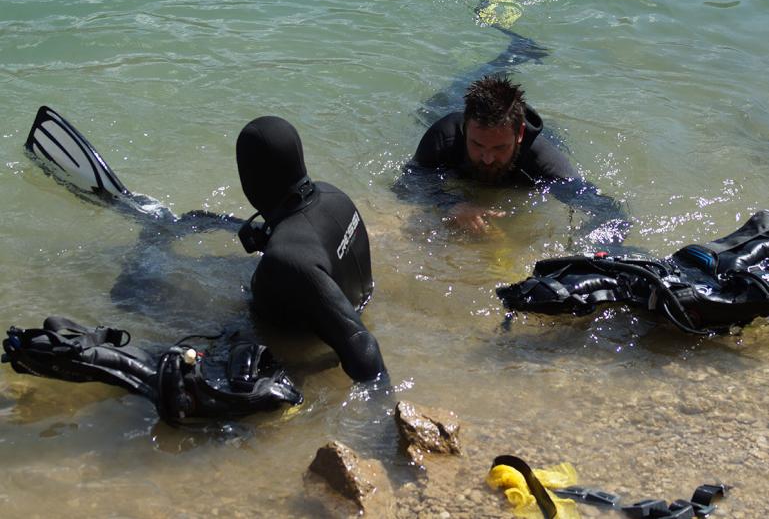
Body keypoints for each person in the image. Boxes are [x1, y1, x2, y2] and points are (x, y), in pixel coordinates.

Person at [235, 116, 387, 383]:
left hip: (301, 345)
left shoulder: (287, 257)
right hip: (353, 303)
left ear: (250, 177)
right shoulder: (334, 195)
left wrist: (381, 416)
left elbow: (362, 346)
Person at [396, 74, 628, 244]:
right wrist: (453, 204)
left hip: (548, 140)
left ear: (519, 136)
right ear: (466, 128)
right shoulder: (444, 136)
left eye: (499, 148)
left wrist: (585, 245)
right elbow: (407, 184)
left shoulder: (541, 160)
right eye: (477, 145)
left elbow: (609, 212)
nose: (487, 158)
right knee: (427, 108)